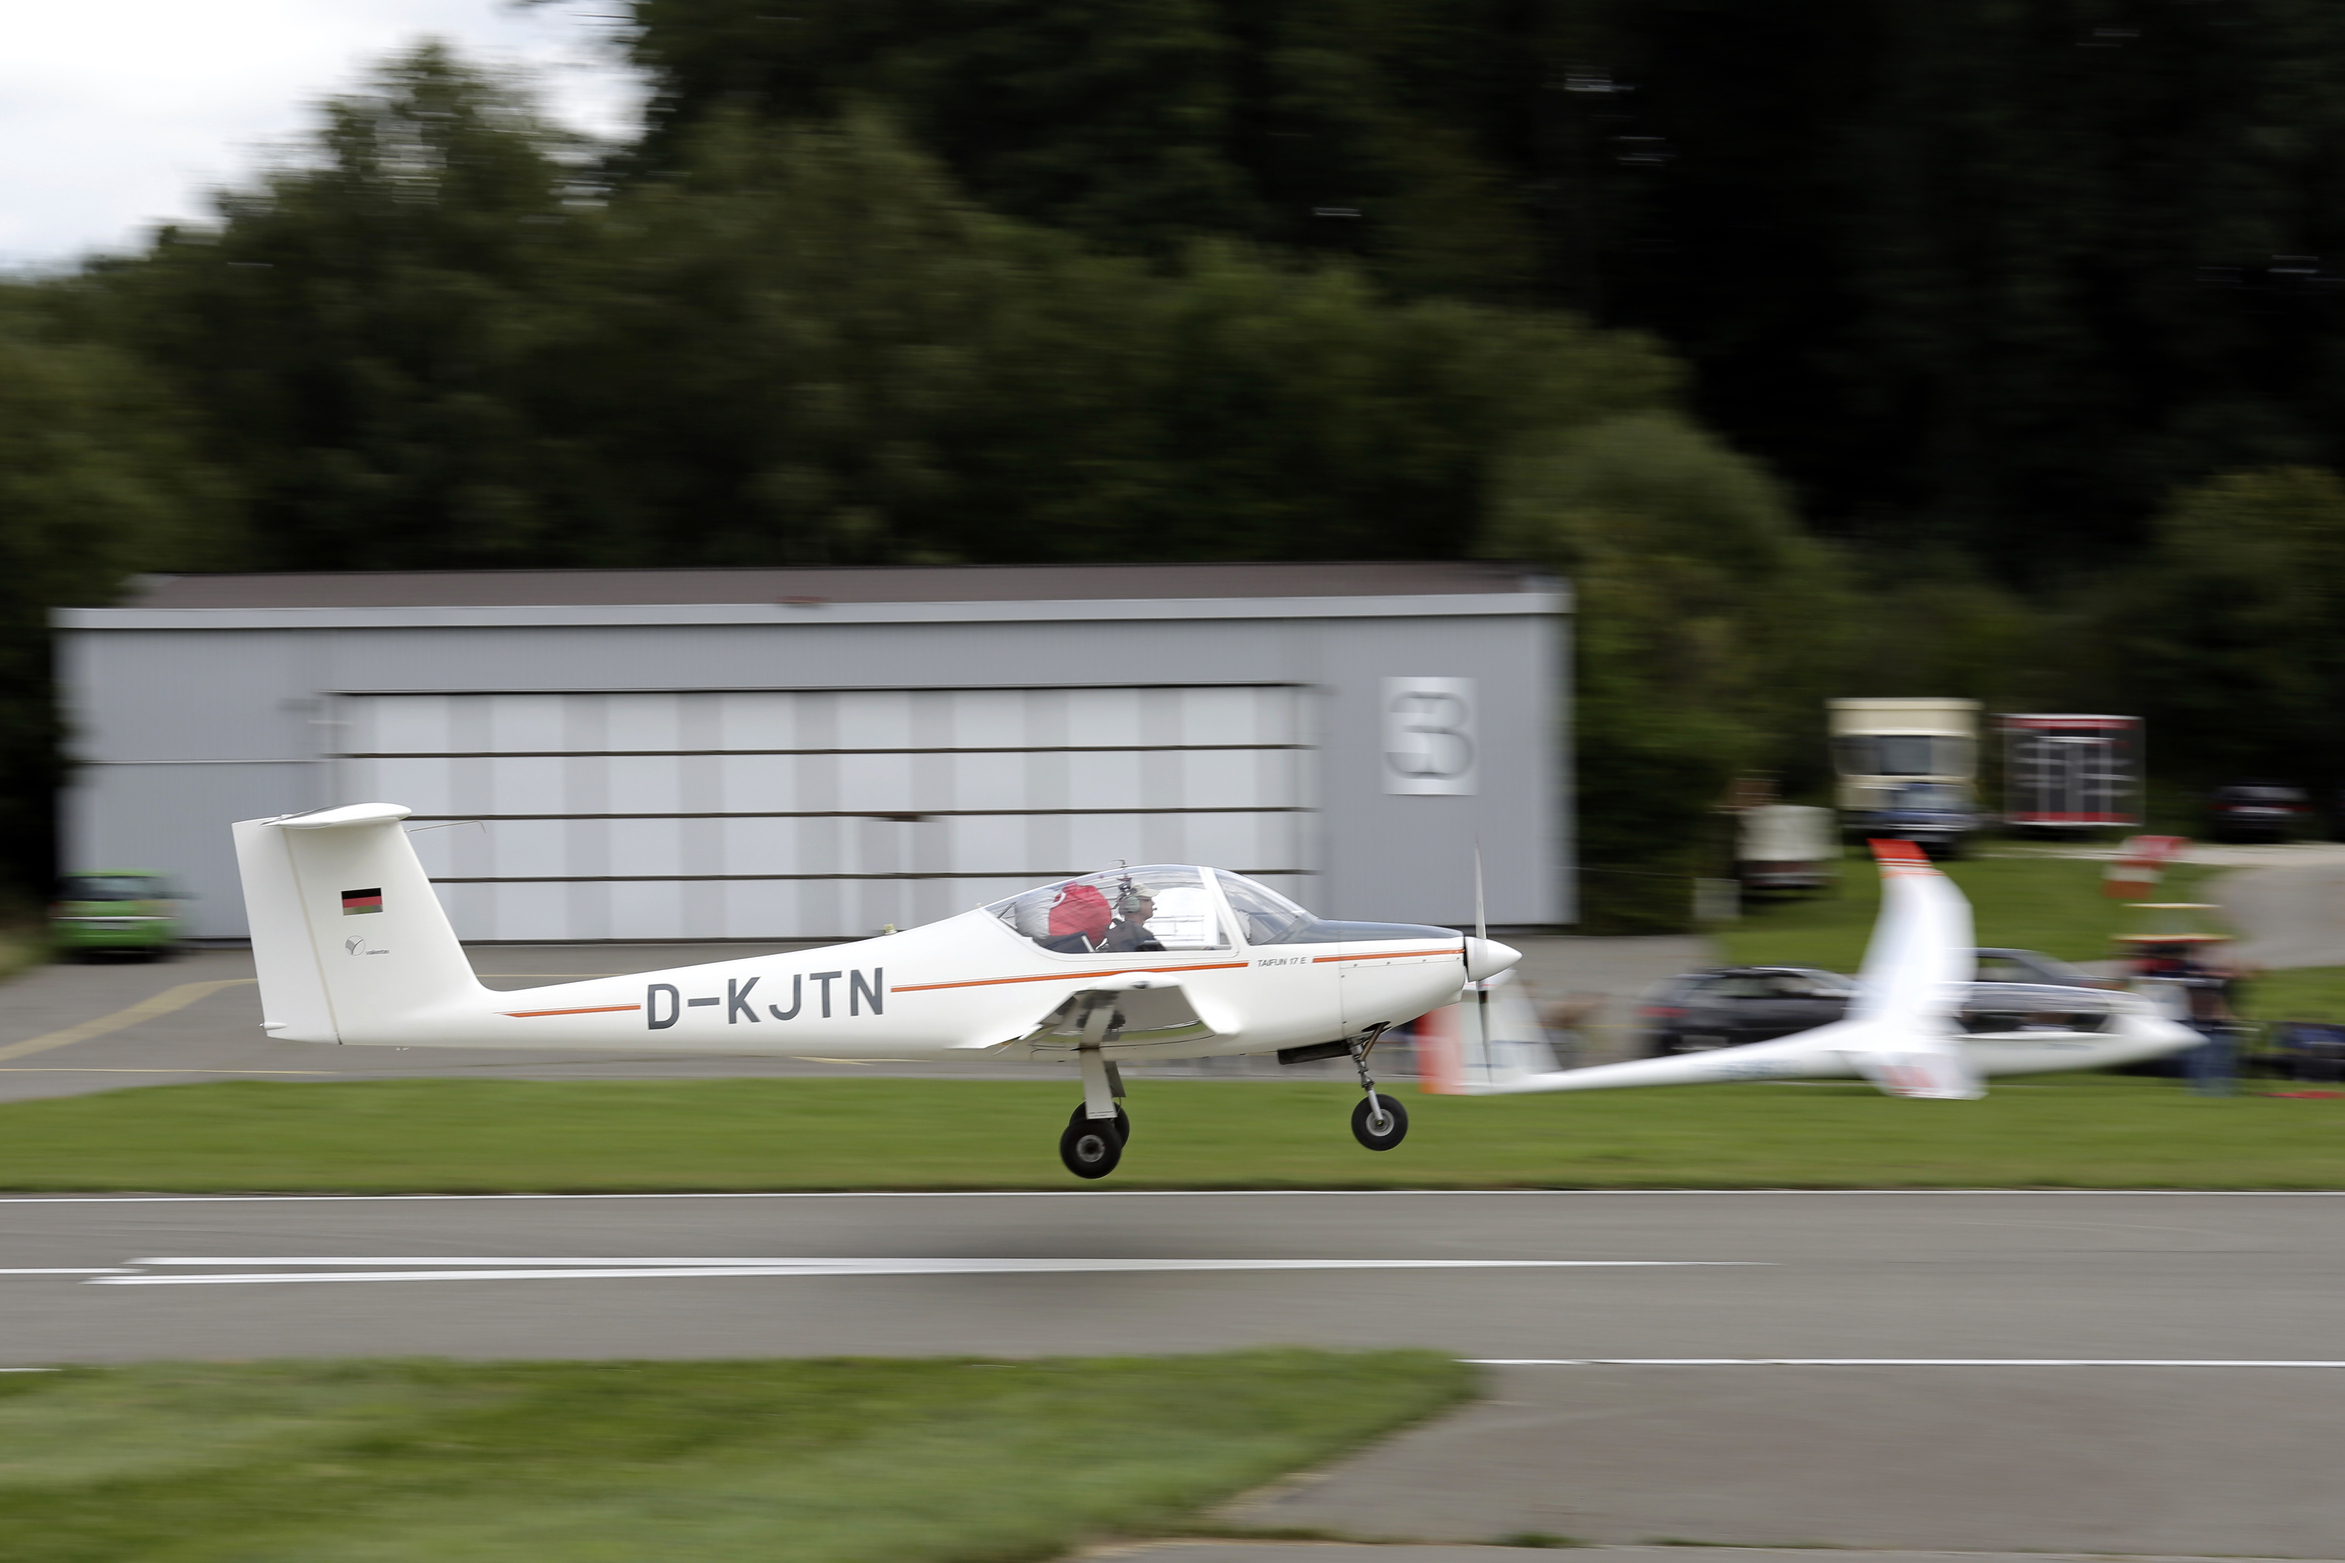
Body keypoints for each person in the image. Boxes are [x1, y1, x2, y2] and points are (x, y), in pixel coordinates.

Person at [1096, 886, 1166, 953]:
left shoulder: (1126, 932)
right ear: (1132, 904)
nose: (1153, 903)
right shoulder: (1135, 934)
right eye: (1147, 900)